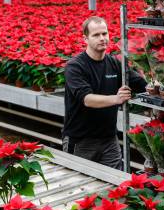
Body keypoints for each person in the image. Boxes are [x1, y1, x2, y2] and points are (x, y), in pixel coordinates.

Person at [62, 16, 147, 170]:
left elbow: (141, 84)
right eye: (96, 35)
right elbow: (87, 99)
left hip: (109, 140)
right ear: (85, 39)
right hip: (81, 141)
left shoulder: (114, 63)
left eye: (104, 33)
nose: (102, 38)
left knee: (115, 184)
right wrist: (116, 98)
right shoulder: (75, 66)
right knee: (80, 183)